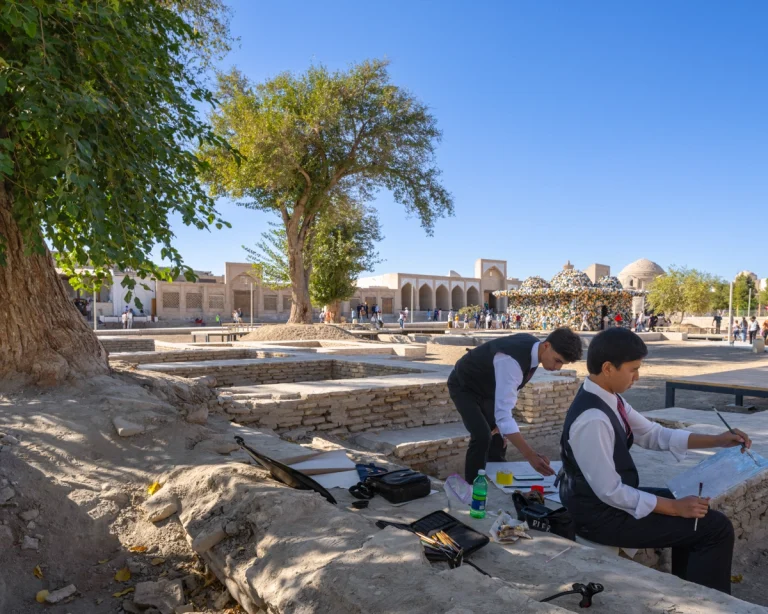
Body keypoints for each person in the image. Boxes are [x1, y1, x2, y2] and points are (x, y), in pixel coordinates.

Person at [559, 328, 750, 594]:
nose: (637, 377)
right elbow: (610, 491)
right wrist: (674, 508)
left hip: (605, 504)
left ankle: (690, 592)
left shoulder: (610, 399)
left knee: (691, 505)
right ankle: (710, 603)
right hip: (598, 516)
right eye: (633, 369)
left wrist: (717, 440)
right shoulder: (593, 419)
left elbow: (653, 434)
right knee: (714, 528)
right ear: (608, 368)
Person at [449, 328, 583, 483]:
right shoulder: (511, 360)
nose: (557, 367)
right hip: (464, 385)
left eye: (562, 364)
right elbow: (504, 415)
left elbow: (510, 392)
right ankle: (473, 489)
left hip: (488, 389)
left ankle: (497, 480)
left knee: (499, 436)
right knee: (482, 436)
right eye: (557, 360)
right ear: (546, 346)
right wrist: (530, 456)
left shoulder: (534, 349)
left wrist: (503, 427)